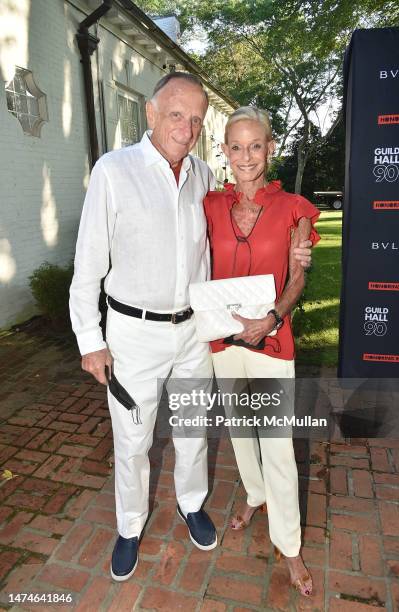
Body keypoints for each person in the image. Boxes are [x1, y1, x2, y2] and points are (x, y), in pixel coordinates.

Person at [69, 73, 313, 582]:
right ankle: (130, 527)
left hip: (195, 333)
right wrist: (90, 340)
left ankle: (191, 503)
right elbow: (87, 264)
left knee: (192, 429)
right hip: (132, 334)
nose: (186, 125)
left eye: (197, 118)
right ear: (151, 114)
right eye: (176, 114)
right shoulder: (114, 171)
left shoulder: (203, 176)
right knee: (133, 439)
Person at [203, 106, 320, 597]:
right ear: (225, 151)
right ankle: (252, 496)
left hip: (271, 340)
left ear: (270, 147)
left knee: (276, 444)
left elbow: (298, 275)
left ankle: (289, 545)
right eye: (237, 146)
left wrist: (273, 316)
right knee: (239, 428)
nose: (246, 156)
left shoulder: (295, 208)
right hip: (221, 339)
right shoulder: (207, 204)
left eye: (256, 146)